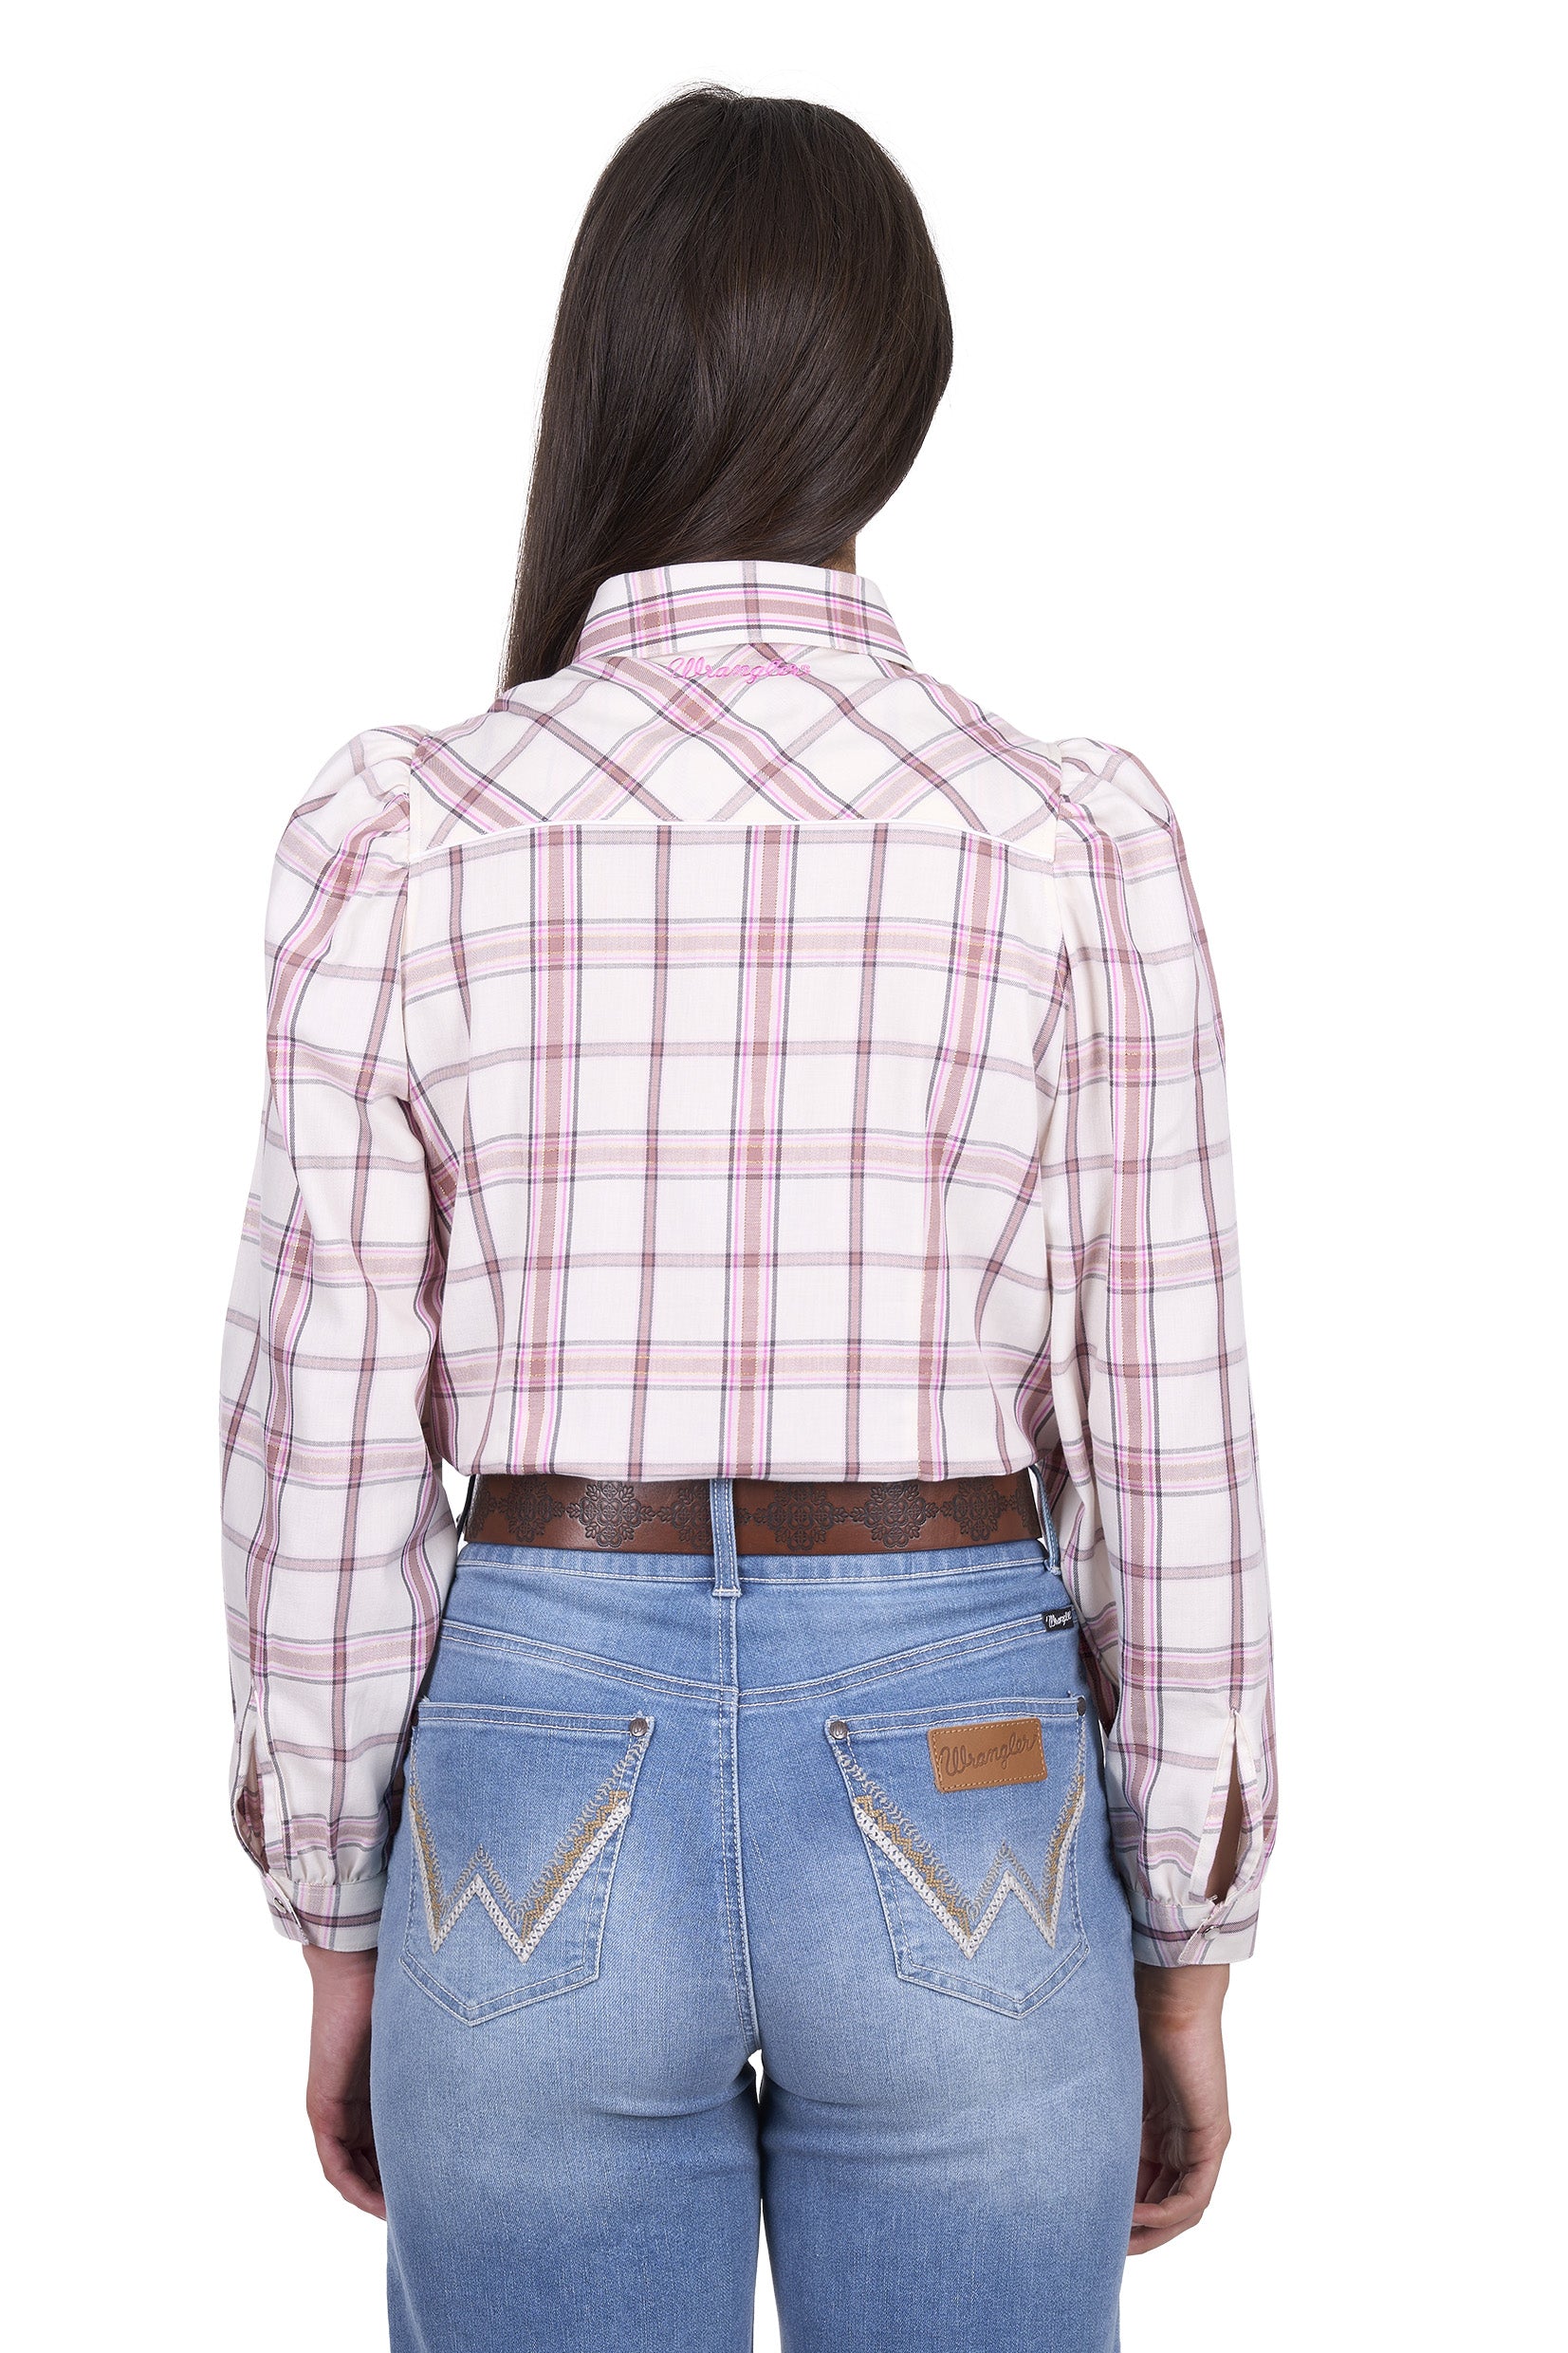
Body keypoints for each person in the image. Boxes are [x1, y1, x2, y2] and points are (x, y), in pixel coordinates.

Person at [219, 83, 1277, 2353]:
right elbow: (1166, 1436)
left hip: (527, 1764)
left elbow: (317, 1442)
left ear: (603, 370)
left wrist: (338, 1919)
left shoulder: (408, 834)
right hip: (965, 1756)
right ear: (897, 392)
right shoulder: (1063, 842)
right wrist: (1185, 1948)